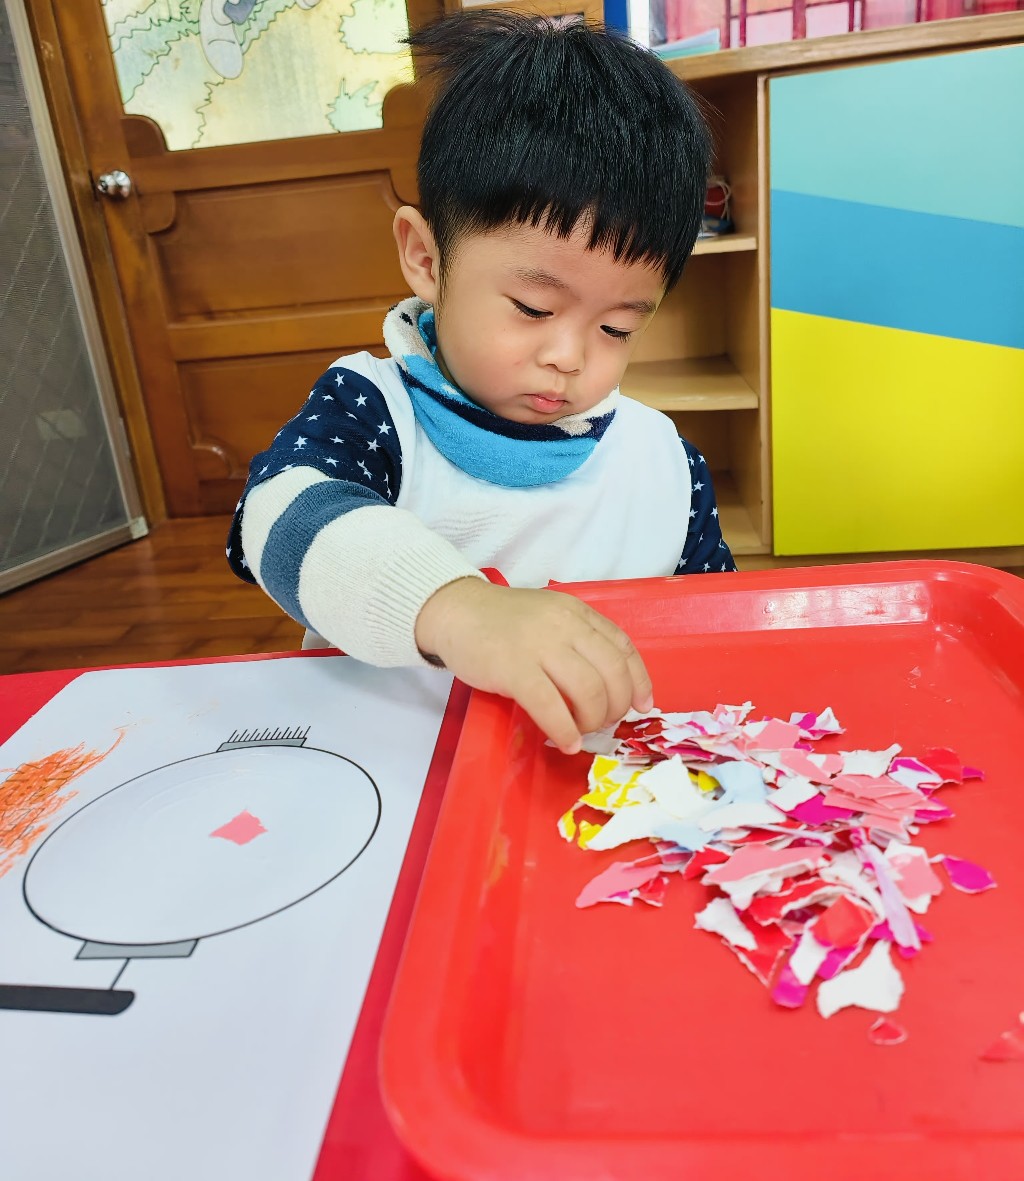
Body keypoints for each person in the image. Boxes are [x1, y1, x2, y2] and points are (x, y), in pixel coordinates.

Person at [226, 10, 736, 755]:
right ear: (426, 259)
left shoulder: (664, 465)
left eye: (617, 328)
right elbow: (274, 520)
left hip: (588, 791)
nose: (568, 356)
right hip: (392, 774)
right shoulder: (372, 410)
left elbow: (720, 630)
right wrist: (458, 607)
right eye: (533, 308)